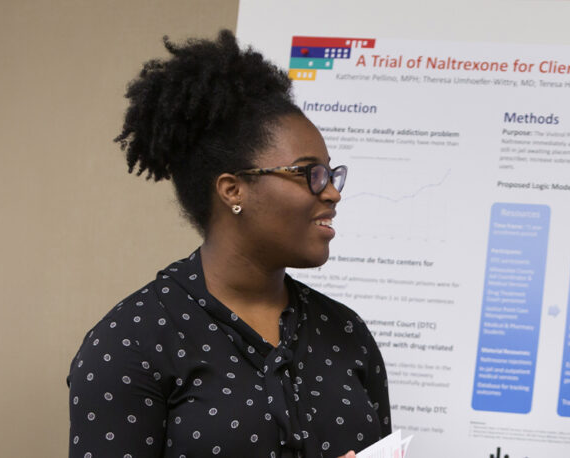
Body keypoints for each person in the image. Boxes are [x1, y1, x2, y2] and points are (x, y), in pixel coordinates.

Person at [67, 30, 389, 458]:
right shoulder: (129, 344)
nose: (331, 192)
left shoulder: (347, 334)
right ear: (233, 190)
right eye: (309, 174)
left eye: (331, 175)